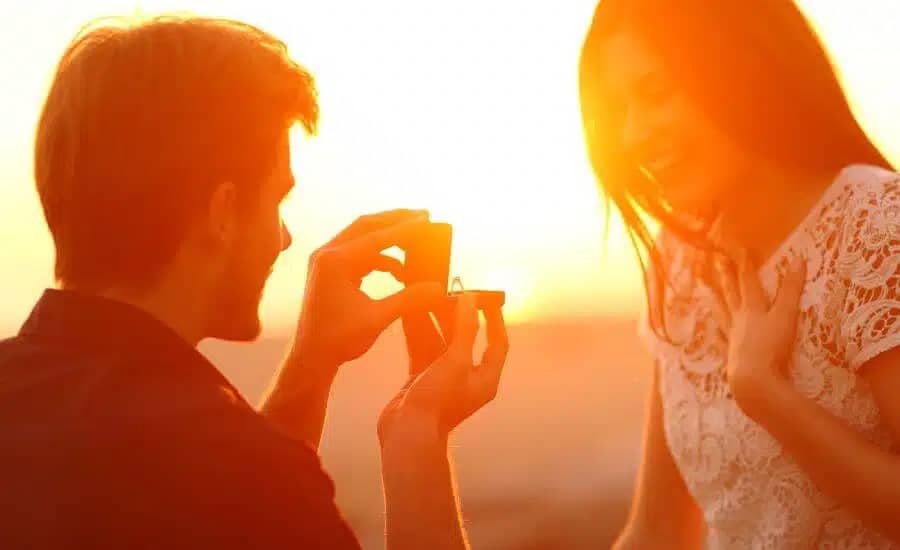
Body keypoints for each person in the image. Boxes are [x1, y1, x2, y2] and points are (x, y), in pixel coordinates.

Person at [0, 16, 508, 549]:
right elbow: (231, 495)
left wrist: (311, 366)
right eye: (277, 201)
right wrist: (416, 435)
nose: (284, 239)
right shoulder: (242, 474)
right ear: (222, 213)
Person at [578, 0, 900, 548]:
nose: (631, 136)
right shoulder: (678, 260)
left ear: (741, 68)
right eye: (618, 110)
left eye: (656, 93)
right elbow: (657, 530)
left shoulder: (874, 225)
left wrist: (768, 397)